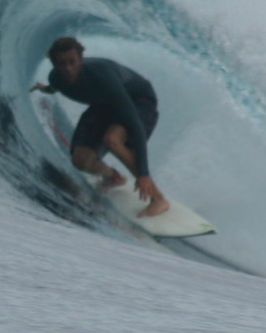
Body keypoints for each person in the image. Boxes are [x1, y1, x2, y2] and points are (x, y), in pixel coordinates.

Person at [30, 36, 170, 217]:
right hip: (104, 104)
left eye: (72, 62)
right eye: (61, 64)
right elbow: (55, 86)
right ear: (54, 64)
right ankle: (113, 177)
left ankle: (158, 199)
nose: (68, 68)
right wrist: (46, 89)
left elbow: (134, 124)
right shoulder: (56, 78)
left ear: (80, 59)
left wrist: (143, 173)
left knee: (112, 140)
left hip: (137, 101)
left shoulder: (101, 76)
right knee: (81, 161)